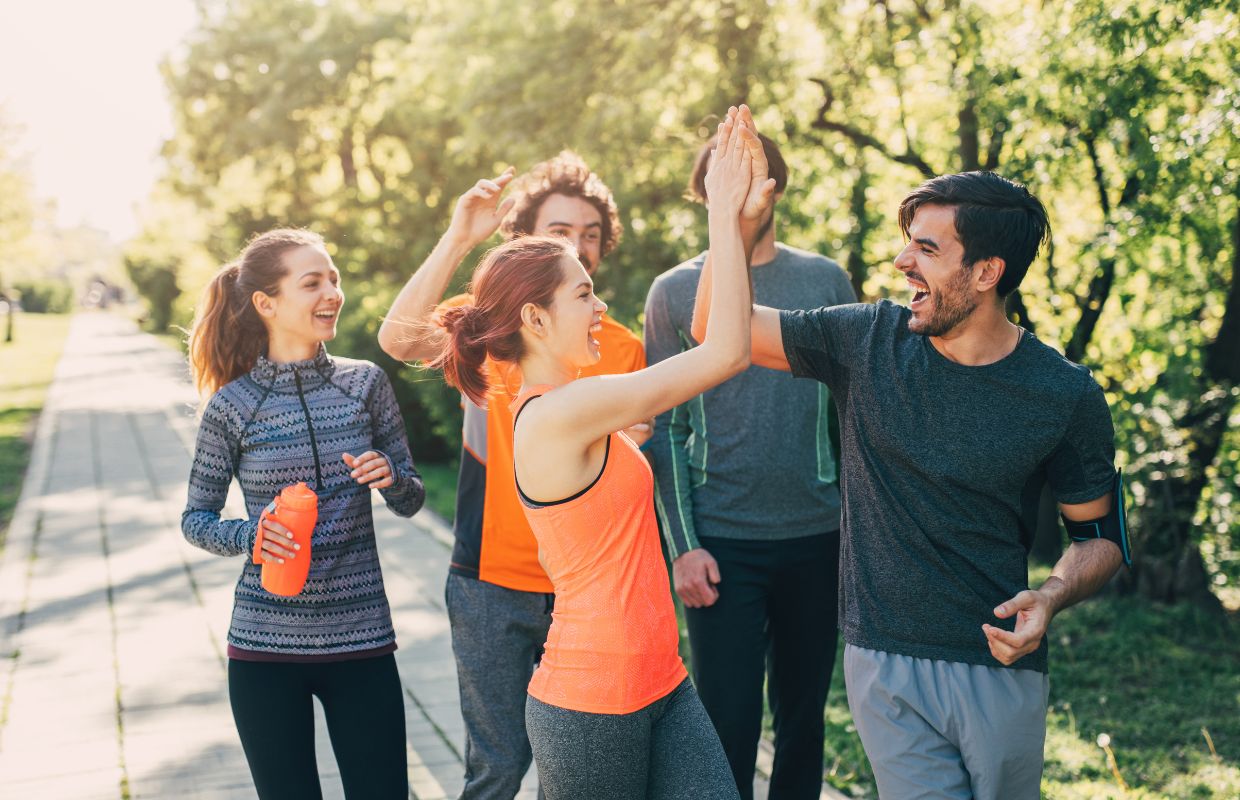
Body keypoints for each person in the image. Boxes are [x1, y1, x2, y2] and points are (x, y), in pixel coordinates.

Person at [691, 145, 1128, 799]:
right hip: (883, 659)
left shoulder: (1063, 394)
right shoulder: (866, 341)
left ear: (986, 273)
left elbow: (1101, 539)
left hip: (999, 661)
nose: (901, 263)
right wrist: (730, 221)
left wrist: (1052, 596)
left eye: (926, 249)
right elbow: (713, 327)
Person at [421, 106, 762, 800]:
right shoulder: (559, 411)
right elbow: (727, 351)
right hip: (592, 699)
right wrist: (723, 214)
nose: (601, 306)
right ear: (537, 319)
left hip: (661, 678)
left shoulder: (581, 410)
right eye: (584, 294)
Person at [377, 152, 647, 798]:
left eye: (589, 235)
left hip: (589, 598)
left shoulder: (624, 349)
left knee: (579, 776)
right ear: (526, 238)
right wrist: (459, 236)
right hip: (490, 584)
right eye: (559, 232)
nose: (578, 245)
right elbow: (399, 339)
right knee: (496, 770)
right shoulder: (496, 332)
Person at [643, 128, 855, 799]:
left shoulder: (824, 280)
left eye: (747, 175)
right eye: (718, 180)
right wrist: (682, 546)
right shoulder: (674, 293)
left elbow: (852, 416)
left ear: (775, 186)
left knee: (803, 721)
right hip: (722, 546)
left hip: (817, 540)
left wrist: (858, 530)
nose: (733, 192)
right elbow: (664, 428)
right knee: (725, 724)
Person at [182, 229, 425, 800]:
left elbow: (413, 499)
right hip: (265, 648)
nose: (332, 293)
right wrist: (251, 536)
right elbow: (196, 517)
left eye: (334, 279)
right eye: (312, 282)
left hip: (361, 639)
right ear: (266, 304)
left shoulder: (365, 384)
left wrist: (391, 479)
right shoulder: (233, 406)